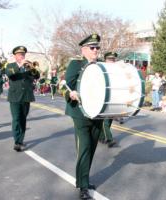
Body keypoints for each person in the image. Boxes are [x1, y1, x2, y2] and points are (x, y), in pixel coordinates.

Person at [65, 33, 103, 200]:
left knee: (92, 147)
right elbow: (66, 85)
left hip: (97, 113)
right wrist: (71, 94)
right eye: (92, 48)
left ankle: (84, 178)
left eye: (97, 47)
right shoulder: (76, 64)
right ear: (84, 50)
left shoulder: (101, 66)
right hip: (79, 112)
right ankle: (83, 185)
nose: (96, 50)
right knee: (84, 147)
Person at [5, 46, 40, 152]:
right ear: (15, 56)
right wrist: (20, 65)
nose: (22, 56)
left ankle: (21, 139)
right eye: (20, 54)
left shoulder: (28, 66)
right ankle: (17, 141)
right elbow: (11, 74)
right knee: (16, 119)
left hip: (26, 96)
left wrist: (32, 68)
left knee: (23, 119)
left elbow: (37, 76)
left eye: (23, 54)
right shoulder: (10, 66)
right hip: (15, 96)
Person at [99, 52, 118, 148]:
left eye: (113, 60)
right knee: (105, 121)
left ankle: (102, 137)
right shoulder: (101, 69)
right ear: (105, 60)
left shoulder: (116, 70)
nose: (112, 61)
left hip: (113, 98)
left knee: (109, 120)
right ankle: (109, 139)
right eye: (110, 59)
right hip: (103, 98)